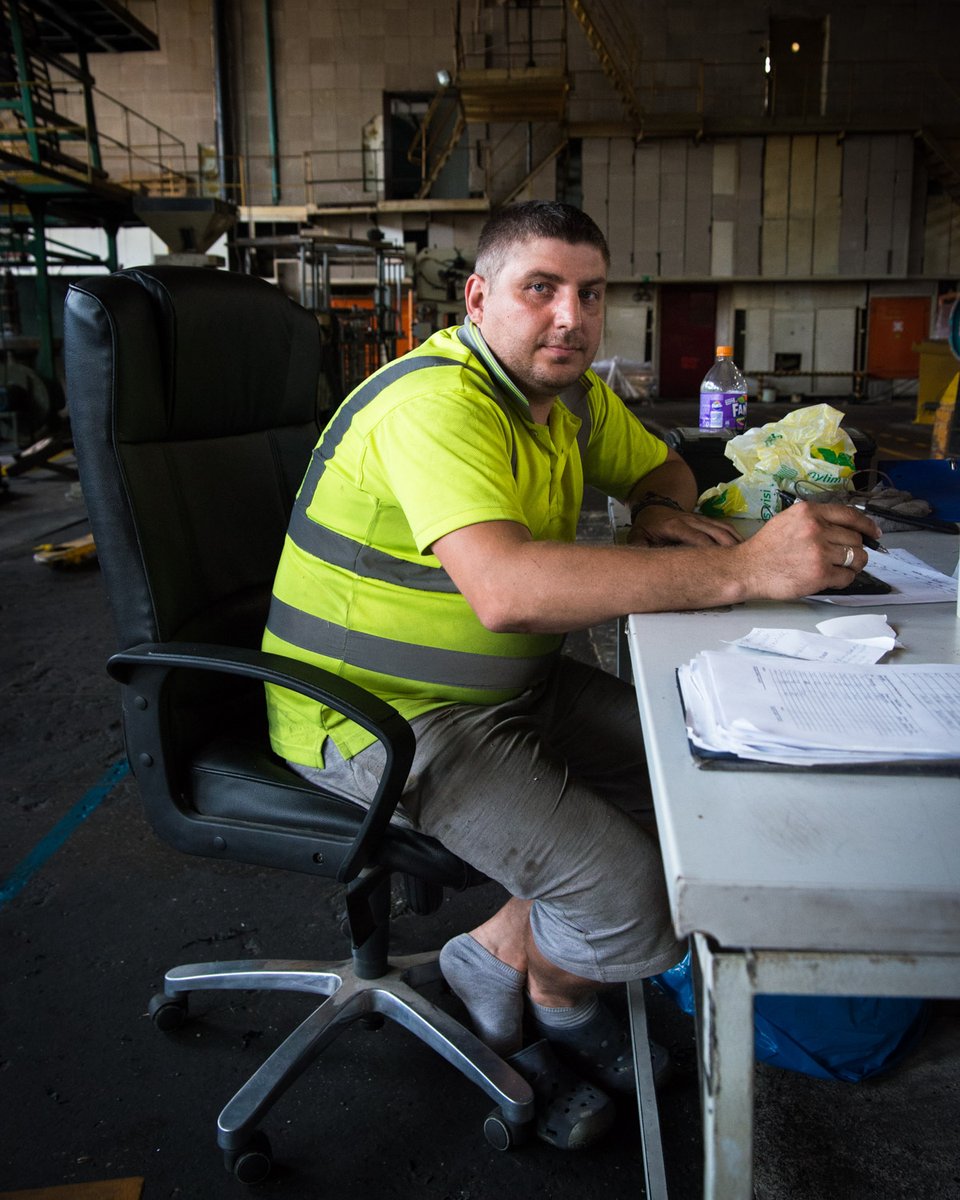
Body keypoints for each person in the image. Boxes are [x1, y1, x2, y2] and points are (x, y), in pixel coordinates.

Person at [262, 201, 880, 1149]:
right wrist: (744, 570)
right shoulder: (438, 404)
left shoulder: (569, 395)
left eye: (590, 294)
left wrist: (662, 515)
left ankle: (496, 953)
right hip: (379, 718)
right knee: (630, 894)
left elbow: (664, 470)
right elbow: (507, 590)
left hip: (509, 693)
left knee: (698, 785)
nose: (570, 317)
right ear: (478, 297)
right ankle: (554, 1008)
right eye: (540, 289)